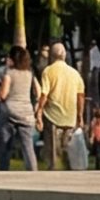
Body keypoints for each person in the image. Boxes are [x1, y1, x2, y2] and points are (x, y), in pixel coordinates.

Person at [37, 43, 85, 171]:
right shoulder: (75, 74)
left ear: (52, 56)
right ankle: (69, 167)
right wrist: (80, 117)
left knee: (52, 147)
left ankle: (53, 166)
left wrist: (39, 113)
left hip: (52, 116)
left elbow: (44, 95)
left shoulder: (48, 71)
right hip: (70, 117)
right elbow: (80, 97)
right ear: (64, 55)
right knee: (68, 147)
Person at [0, 47, 40, 171]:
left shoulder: (9, 73)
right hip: (26, 114)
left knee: (6, 146)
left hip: (10, 113)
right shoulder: (30, 73)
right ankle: (33, 172)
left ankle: (4, 171)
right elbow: (38, 91)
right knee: (28, 147)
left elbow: (3, 94)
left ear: (13, 59)